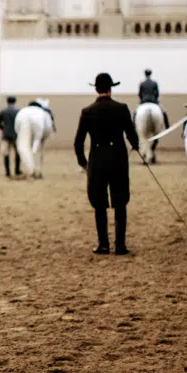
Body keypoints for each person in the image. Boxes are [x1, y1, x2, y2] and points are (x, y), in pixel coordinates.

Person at [74, 73, 140, 256]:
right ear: (110, 89)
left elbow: (78, 142)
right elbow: (131, 135)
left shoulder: (87, 111)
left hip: (97, 158)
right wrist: (135, 146)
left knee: (99, 202)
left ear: (96, 89)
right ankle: (120, 245)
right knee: (120, 201)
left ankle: (103, 244)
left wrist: (83, 163)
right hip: (118, 157)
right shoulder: (122, 108)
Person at [0, 96, 21, 177]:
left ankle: (7, 172)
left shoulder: (3, 112)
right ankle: (17, 170)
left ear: (7, 102)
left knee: (6, 153)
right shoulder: (18, 111)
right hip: (16, 135)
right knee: (18, 153)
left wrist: (4, 129)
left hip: (6, 135)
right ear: (15, 102)